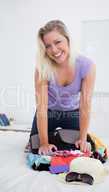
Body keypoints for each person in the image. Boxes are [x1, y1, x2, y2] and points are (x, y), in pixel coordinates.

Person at [28, 19, 96, 155]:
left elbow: (85, 105)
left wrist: (82, 138)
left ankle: (60, 136)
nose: (54, 50)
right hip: (48, 113)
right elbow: (41, 106)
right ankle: (49, 137)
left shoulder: (86, 66)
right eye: (47, 46)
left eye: (58, 42)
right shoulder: (42, 67)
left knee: (78, 148)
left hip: (73, 113)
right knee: (37, 148)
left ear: (68, 40)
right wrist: (44, 143)